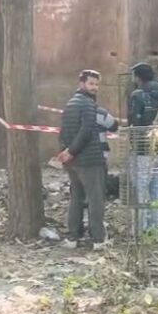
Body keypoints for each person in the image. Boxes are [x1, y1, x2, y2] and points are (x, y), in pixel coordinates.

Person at [58, 69, 109, 250]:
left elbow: (63, 131)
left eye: (97, 84)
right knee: (95, 199)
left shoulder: (70, 103)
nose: (95, 88)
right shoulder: (88, 104)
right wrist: (71, 151)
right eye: (91, 84)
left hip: (73, 162)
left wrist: (65, 152)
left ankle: (73, 237)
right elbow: (87, 131)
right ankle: (98, 239)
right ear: (82, 84)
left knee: (76, 198)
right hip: (89, 159)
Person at [128, 62, 158, 231]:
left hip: (143, 148)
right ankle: (155, 225)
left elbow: (134, 122)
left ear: (137, 76)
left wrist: (132, 143)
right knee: (157, 185)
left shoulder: (137, 95)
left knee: (141, 186)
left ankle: (140, 226)